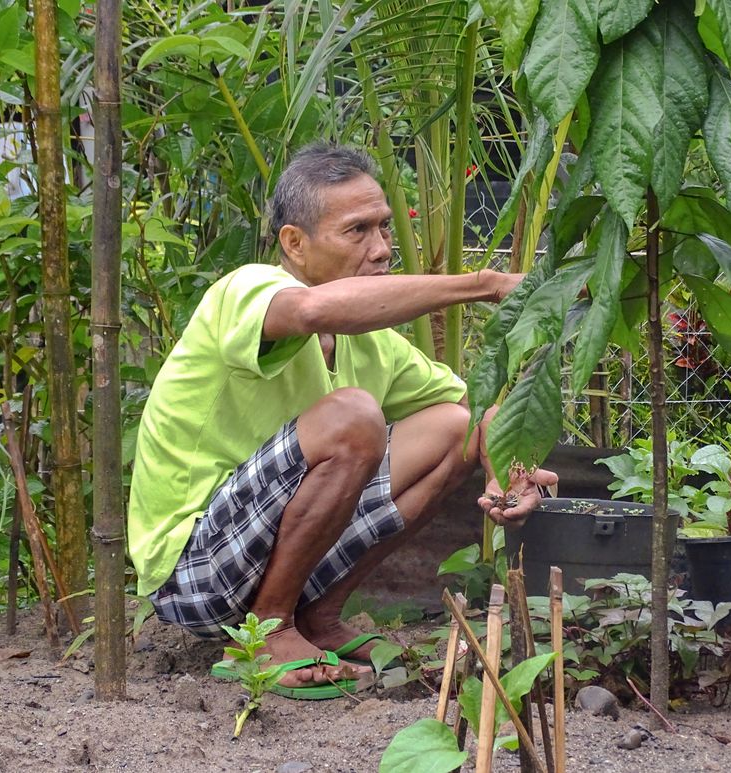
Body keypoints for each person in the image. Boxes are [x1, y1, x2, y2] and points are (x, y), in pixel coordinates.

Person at [128, 143, 557, 694]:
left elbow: (479, 413)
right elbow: (310, 309)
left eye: (384, 228)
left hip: (267, 562)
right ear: (294, 244)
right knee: (357, 415)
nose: (381, 249)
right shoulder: (245, 290)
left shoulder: (375, 344)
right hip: (195, 574)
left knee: (454, 426)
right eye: (358, 232)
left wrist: (511, 469)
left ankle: (318, 618)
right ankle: (269, 628)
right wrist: (485, 284)